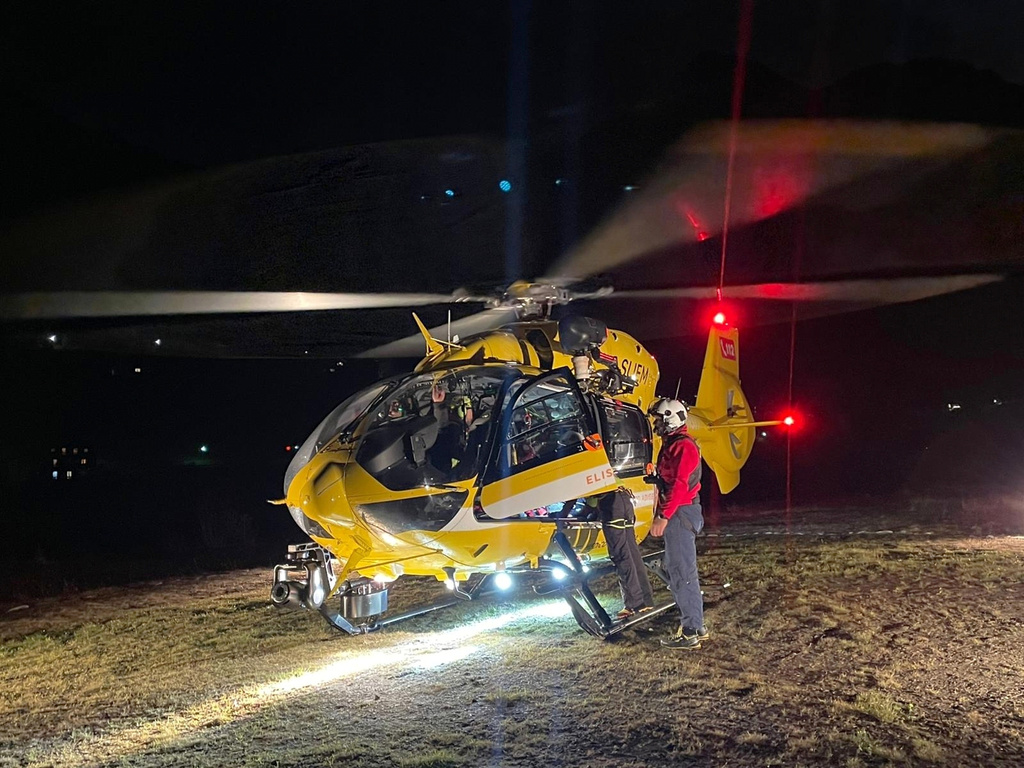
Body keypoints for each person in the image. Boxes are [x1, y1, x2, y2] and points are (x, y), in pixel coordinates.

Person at [649, 398, 709, 650]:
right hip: (682, 511)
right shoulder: (674, 444)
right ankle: (695, 627)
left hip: (681, 513)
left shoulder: (682, 447)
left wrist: (663, 516)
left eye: (659, 419)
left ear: (671, 419)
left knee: (683, 573)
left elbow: (680, 485)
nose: (656, 424)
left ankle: (691, 631)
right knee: (679, 570)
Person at [594, 487, 655, 620]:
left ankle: (634, 603)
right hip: (624, 499)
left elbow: (589, 502)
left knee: (621, 555)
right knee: (632, 553)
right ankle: (646, 599)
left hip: (611, 504)